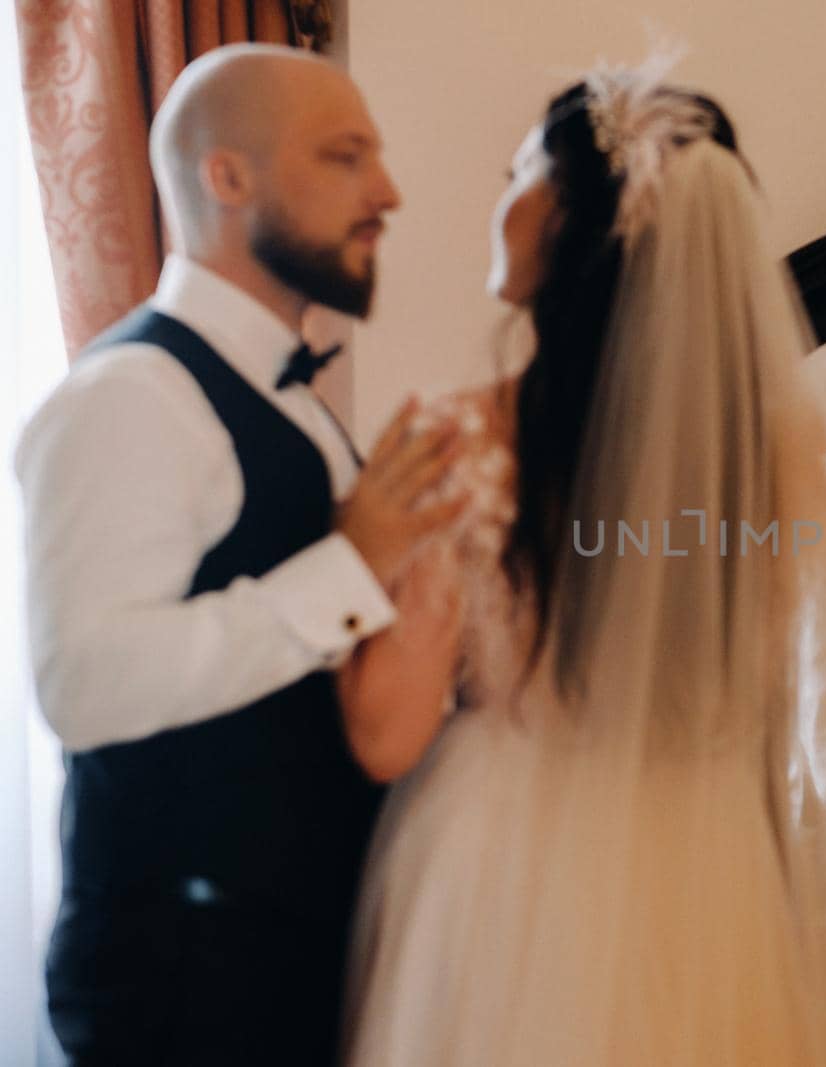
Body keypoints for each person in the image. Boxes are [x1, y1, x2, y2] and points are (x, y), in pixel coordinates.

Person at [341, 58, 826, 1065]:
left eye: (513, 177)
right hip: (709, 864)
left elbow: (384, 732)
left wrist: (356, 546)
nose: (497, 203)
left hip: (513, 864)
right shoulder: (770, 470)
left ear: (565, 217)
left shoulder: (463, 441)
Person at [14, 45, 464, 1065]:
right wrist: (351, 566)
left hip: (296, 960)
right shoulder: (129, 398)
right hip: (185, 988)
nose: (387, 191)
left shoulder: (293, 402)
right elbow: (82, 683)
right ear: (227, 178)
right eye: (348, 155)